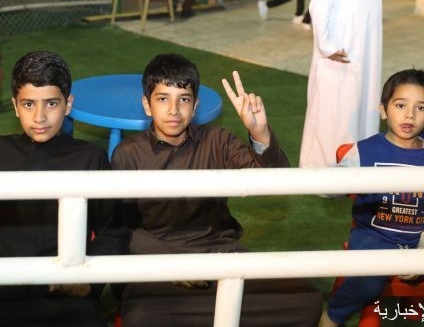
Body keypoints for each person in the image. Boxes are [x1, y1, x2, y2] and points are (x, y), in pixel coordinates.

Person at [111, 53, 322, 326]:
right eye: (163, 99)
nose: (174, 110)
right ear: (147, 105)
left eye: (183, 99)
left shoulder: (217, 140)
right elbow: (121, 229)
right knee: (143, 316)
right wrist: (169, 263)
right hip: (161, 260)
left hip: (221, 254)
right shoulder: (128, 153)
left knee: (306, 299)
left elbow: (274, 181)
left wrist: (260, 134)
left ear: (195, 106)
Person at [0, 51, 127, 327]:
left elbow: (113, 231)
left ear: (68, 104)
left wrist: (88, 280)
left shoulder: (90, 157)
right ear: (15, 106)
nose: (40, 116)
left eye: (51, 103)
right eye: (28, 104)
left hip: (60, 284)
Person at [319, 69, 424, 326]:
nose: (410, 114)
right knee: (369, 278)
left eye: (421, 108)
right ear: (383, 110)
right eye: (400, 105)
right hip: (373, 238)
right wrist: (336, 181)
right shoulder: (363, 151)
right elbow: (329, 188)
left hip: (420, 240)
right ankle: (332, 316)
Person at [299, 0, 385, 169]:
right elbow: (319, 5)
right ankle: (322, 180)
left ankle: (347, 177)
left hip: (354, 61)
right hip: (339, 62)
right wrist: (329, 47)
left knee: (349, 121)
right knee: (332, 123)